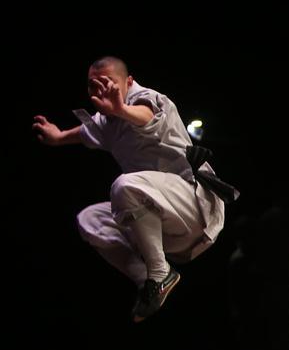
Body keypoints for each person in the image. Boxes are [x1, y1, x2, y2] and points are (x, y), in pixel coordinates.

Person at [32, 56, 231, 322]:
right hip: (167, 230)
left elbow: (145, 116)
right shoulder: (106, 120)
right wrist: (59, 137)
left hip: (194, 210)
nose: (101, 90)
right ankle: (149, 280)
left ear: (128, 82)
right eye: (93, 85)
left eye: (108, 83)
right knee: (90, 218)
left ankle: (160, 271)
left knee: (124, 185)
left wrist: (121, 110)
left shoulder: (148, 98)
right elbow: (87, 132)